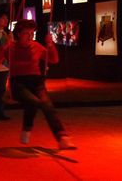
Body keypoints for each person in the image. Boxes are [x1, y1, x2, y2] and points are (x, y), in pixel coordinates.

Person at [7, 19, 76, 150]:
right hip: (18, 83)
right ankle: (27, 128)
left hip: (36, 82)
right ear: (19, 34)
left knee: (48, 106)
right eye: (27, 33)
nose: (30, 36)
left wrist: (50, 45)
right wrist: (5, 45)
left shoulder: (36, 46)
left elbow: (54, 59)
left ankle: (62, 137)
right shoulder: (11, 47)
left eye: (32, 32)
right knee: (34, 102)